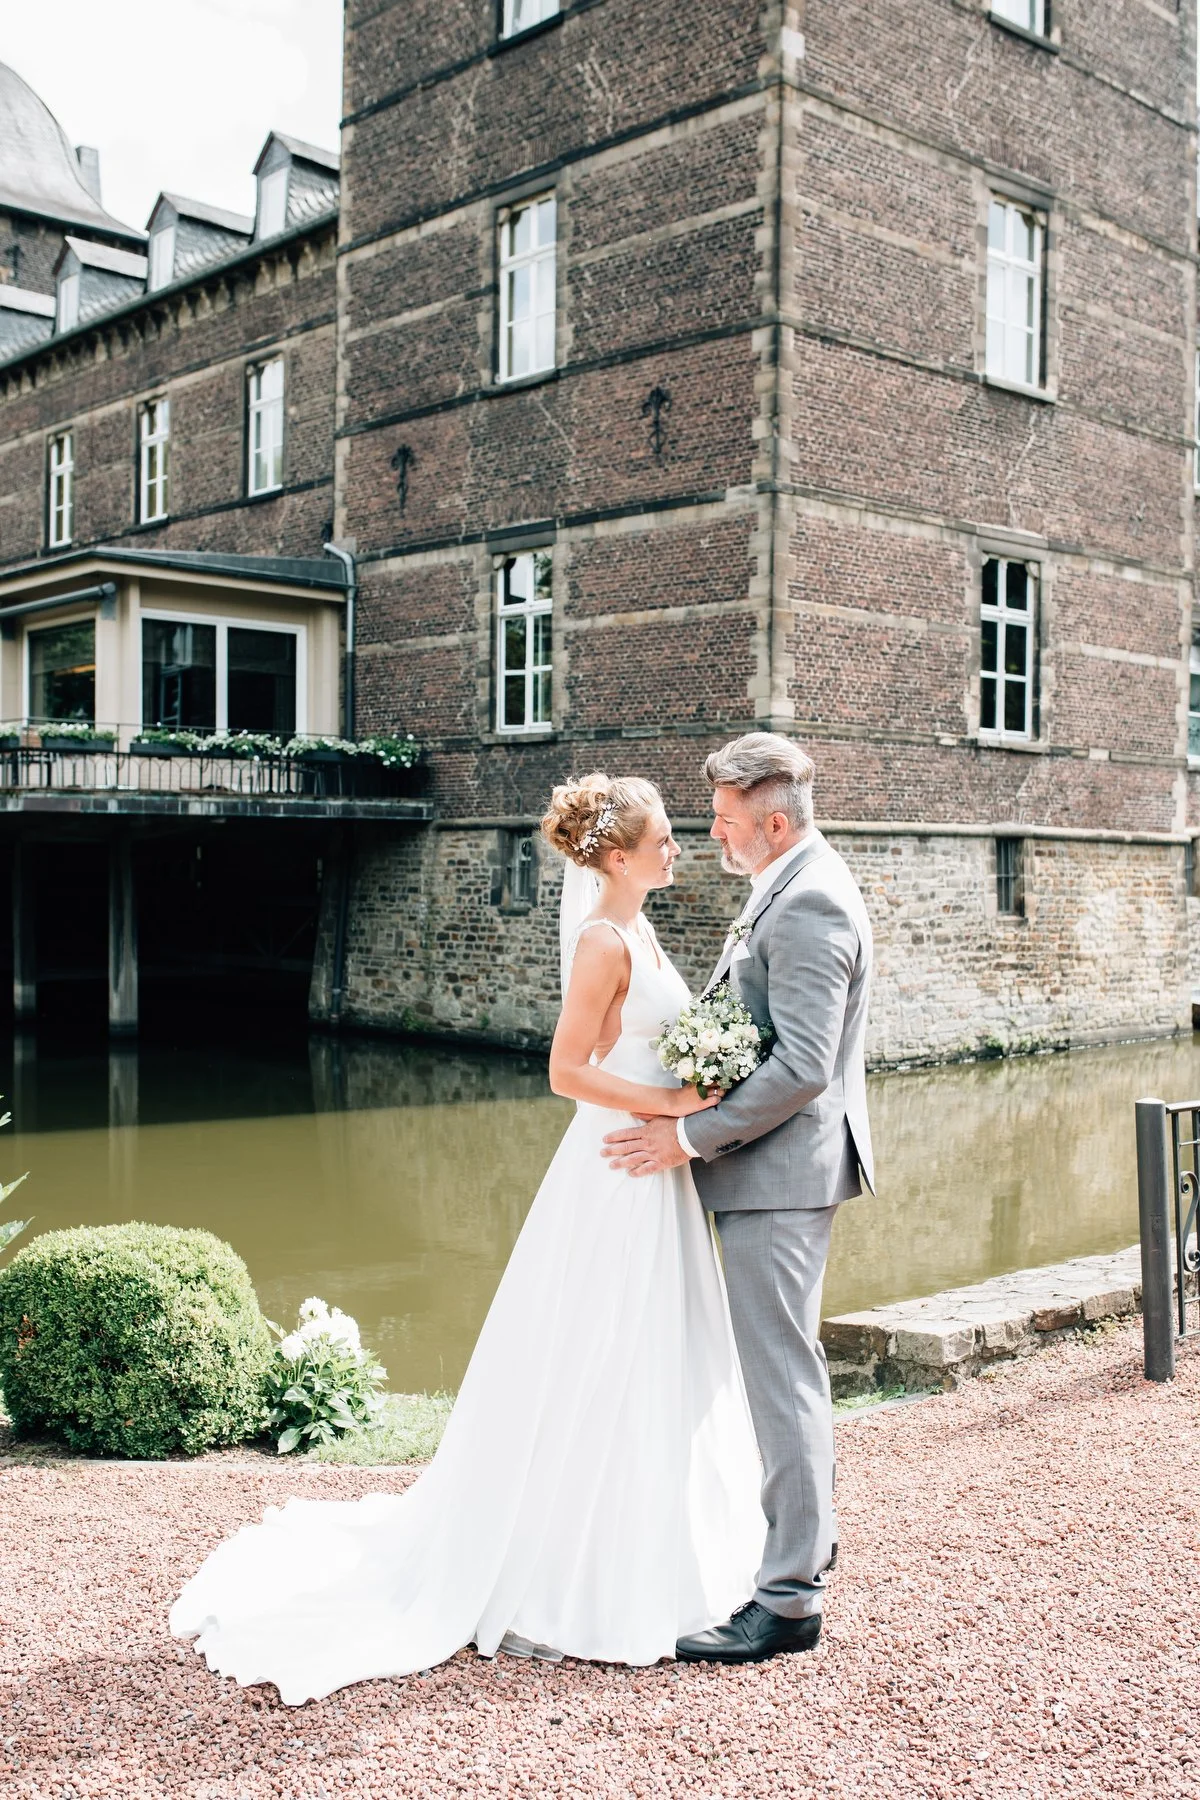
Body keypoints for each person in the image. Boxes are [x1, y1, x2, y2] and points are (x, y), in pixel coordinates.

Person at [170, 772, 767, 1704]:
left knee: (655, 1349)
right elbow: (567, 1072)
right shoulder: (605, 940)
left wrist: (694, 1092)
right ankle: (564, 1571)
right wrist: (672, 1103)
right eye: (662, 839)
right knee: (600, 1351)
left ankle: (656, 1549)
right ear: (618, 858)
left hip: (656, 1169)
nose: (677, 848)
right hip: (618, 1166)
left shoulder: (640, 926)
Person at [603, 732, 874, 1666]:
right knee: (781, 1366)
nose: (713, 833)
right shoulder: (788, 884)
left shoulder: (812, 903)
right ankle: (810, 1537)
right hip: (771, 1173)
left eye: (723, 819)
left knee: (780, 1376)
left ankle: (790, 1601)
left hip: (779, 1177)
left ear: (771, 819)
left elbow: (802, 1065)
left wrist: (684, 1133)